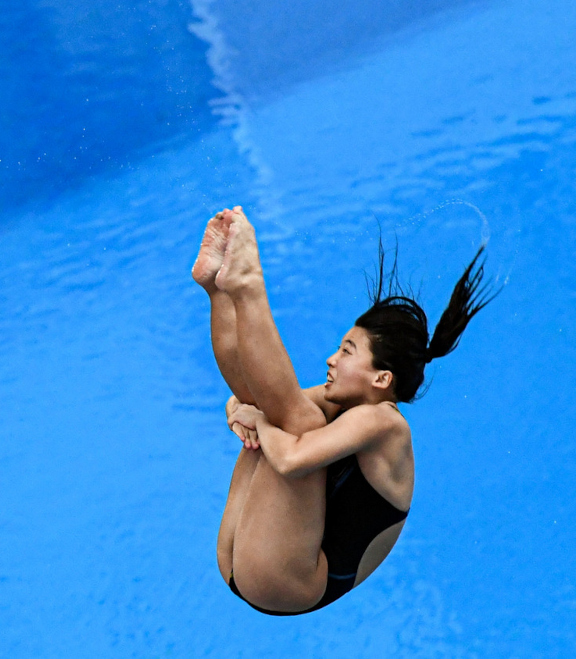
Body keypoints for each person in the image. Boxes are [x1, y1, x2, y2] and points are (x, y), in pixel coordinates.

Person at [192, 206, 496, 615]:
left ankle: (248, 285)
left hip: (287, 581)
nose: (331, 359)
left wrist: (259, 420)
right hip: (251, 560)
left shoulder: (384, 422)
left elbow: (291, 458)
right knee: (284, 411)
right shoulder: (350, 405)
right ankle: (220, 290)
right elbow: (262, 397)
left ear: (381, 380)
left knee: (299, 423)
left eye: (347, 352)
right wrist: (246, 409)